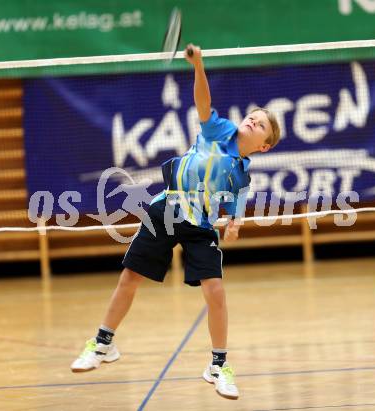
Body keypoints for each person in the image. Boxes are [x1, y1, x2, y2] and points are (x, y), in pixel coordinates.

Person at [71, 44, 281, 400]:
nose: (252, 121)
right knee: (130, 277)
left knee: (215, 291)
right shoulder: (220, 131)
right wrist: (198, 66)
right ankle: (103, 343)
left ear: (264, 145)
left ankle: (218, 365)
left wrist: (236, 221)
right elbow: (203, 102)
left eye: (260, 124)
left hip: (200, 225)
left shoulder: (241, 168)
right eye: (252, 116)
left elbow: (241, 193)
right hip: (166, 210)